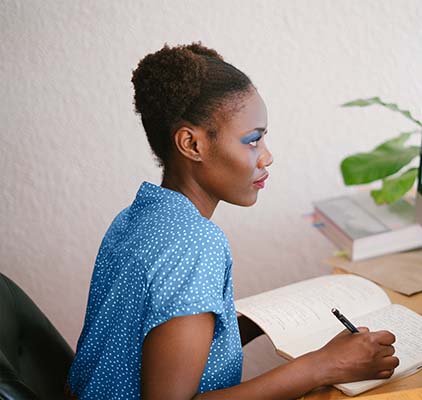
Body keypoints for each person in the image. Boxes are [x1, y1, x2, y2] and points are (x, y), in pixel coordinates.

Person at [66, 42, 399, 400]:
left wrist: (249, 325)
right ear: (192, 145)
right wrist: (323, 365)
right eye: (252, 141)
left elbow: (148, 342)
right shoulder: (196, 244)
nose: (267, 157)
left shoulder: (136, 216)